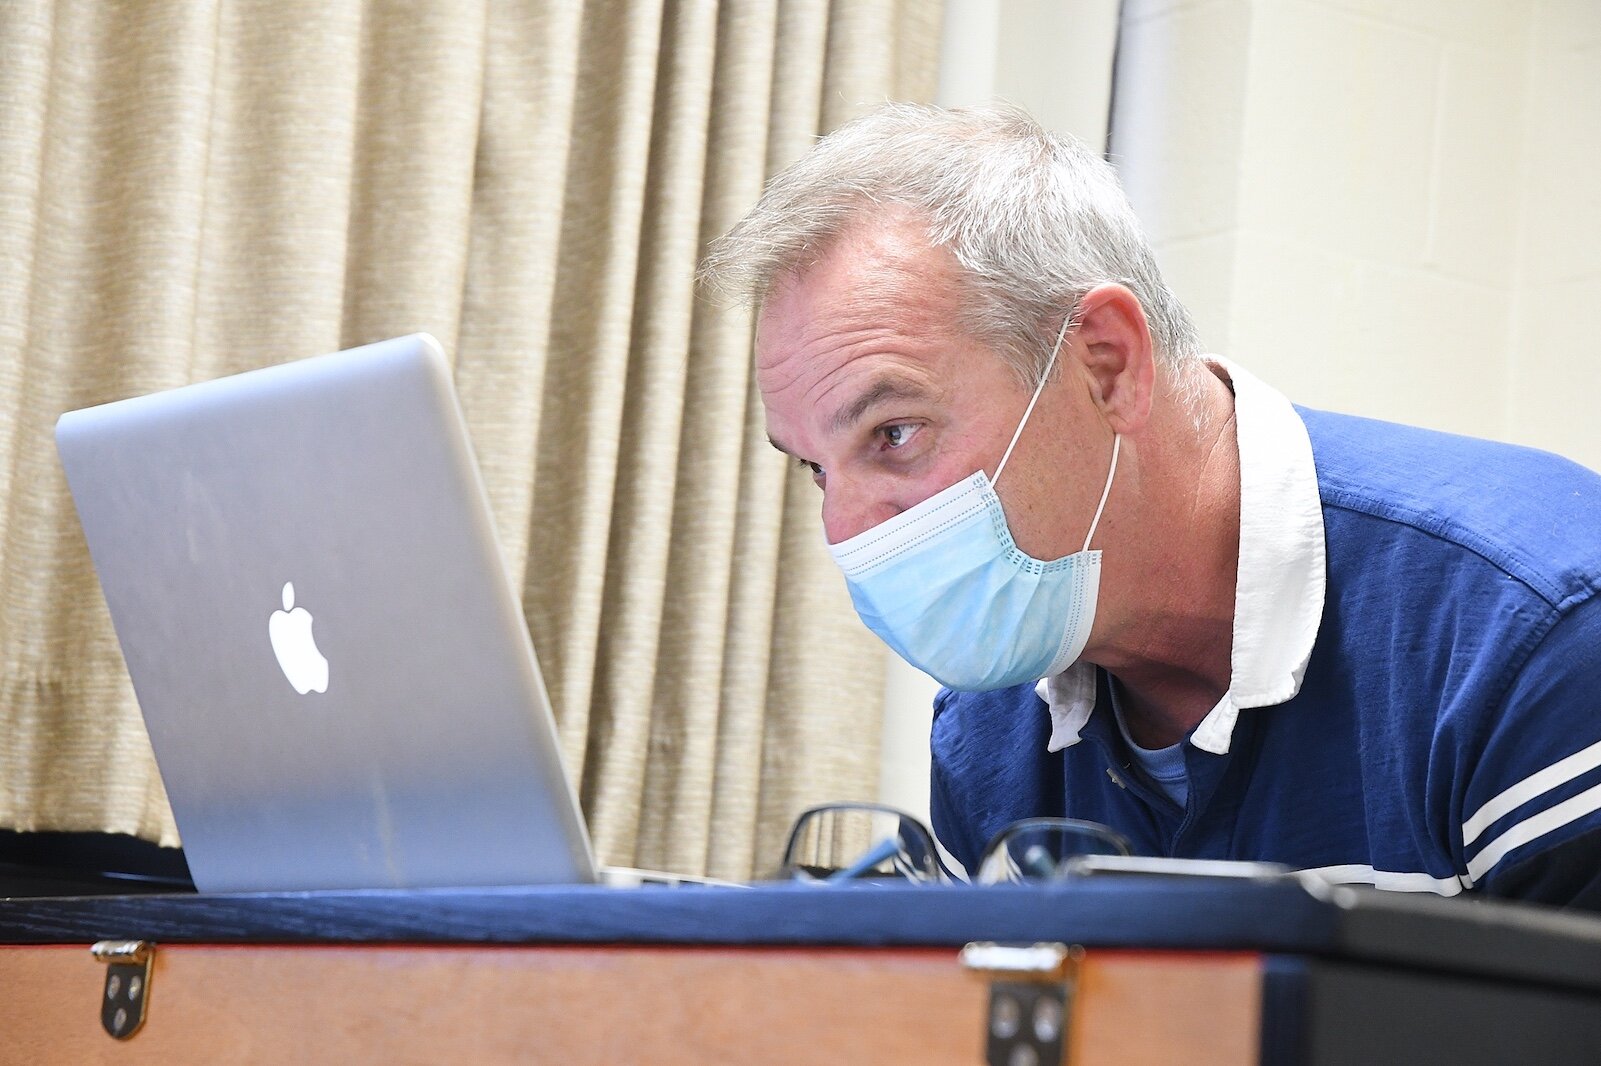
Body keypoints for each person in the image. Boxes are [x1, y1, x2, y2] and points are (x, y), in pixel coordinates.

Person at [700, 103, 1601, 908]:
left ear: (1106, 364)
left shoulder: (1529, 635)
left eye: (893, 433)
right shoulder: (994, 731)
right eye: (816, 468)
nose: (846, 529)